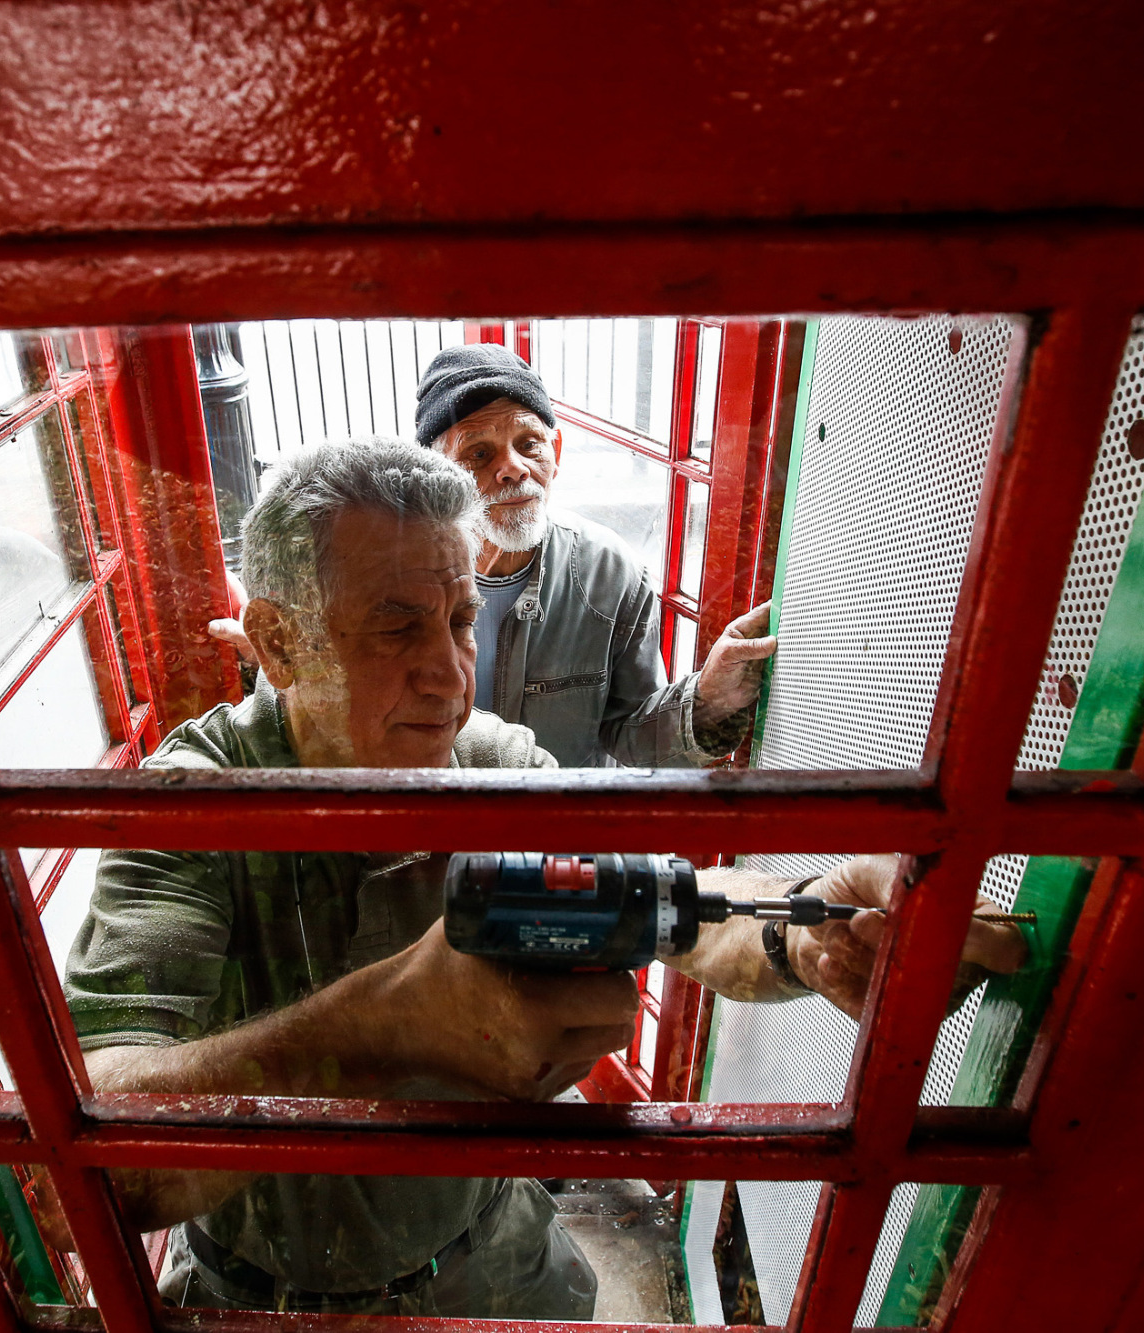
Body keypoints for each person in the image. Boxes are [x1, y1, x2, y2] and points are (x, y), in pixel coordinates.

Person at [65, 438, 1025, 1318]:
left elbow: (680, 910)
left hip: (493, 1263)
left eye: (459, 619)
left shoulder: (494, 761)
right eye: (397, 628)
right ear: (278, 643)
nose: (449, 676)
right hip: (260, 1301)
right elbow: (98, 1165)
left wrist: (806, 929)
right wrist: (380, 1024)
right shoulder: (191, 805)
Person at [210, 344, 774, 768]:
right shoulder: (378, 572)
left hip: (543, 847)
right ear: (434, 470)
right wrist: (283, 668)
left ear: (556, 452)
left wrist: (707, 700)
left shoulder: (611, 573)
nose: (513, 468)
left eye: (529, 444)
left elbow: (630, 727)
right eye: (479, 453)